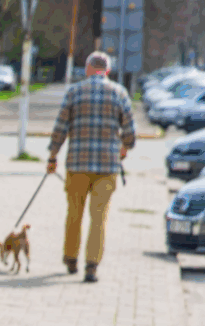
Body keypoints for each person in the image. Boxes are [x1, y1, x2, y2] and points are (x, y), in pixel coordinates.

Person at [47, 51, 136, 283]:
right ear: (108, 71)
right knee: (99, 217)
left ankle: (70, 258)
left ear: (88, 69)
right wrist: (125, 147)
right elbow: (130, 132)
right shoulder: (119, 93)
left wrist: (53, 156)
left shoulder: (74, 92)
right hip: (107, 167)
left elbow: (60, 127)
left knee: (74, 214)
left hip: (77, 164)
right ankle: (91, 266)